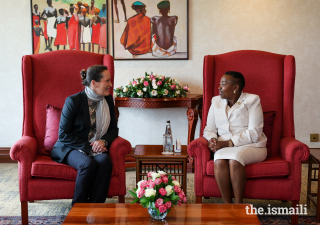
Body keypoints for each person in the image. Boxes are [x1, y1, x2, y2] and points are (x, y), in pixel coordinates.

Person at [51, 65, 118, 205]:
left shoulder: (108, 101)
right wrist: (90, 147)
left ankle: (95, 206)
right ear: (94, 83)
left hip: (95, 147)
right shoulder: (73, 101)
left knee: (105, 162)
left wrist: (102, 142)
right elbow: (63, 135)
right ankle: (78, 209)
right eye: (107, 81)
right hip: (69, 147)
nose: (110, 85)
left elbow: (113, 130)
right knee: (87, 164)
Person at [203, 71, 267, 204]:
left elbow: (255, 133)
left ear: (236, 87)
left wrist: (227, 143)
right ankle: (227, 205)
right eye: (220, 84)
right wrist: (212, 139)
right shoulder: (216, 101)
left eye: (224, 84)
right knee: (219, 161)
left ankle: (239, 206)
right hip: (224, 146)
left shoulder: (252, 100)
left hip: (251, 145)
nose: (219, 87)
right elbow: (209, 129)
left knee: (234, 160)